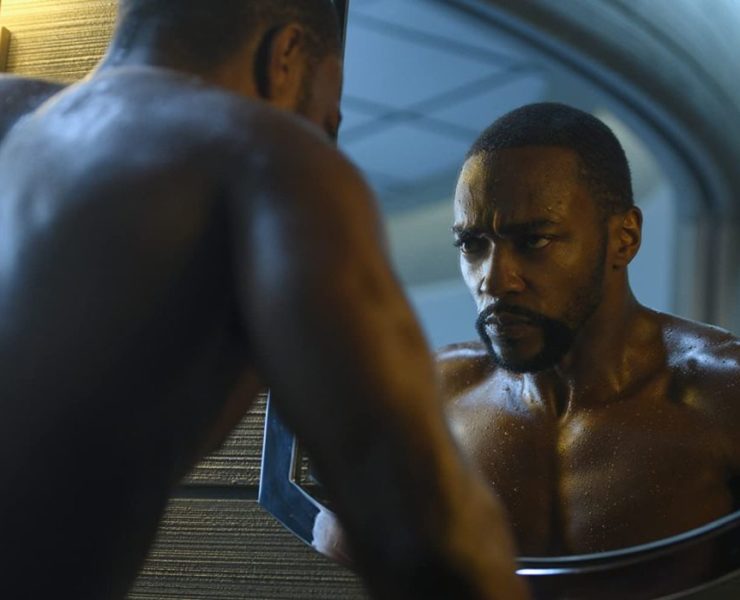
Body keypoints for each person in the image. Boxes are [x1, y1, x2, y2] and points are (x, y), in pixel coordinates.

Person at [0, 2, 527, 599]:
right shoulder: (266, 155)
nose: (324, 133)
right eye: (328, 115)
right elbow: (432, 539)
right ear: (286, 56)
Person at [441, 102, 740, 556]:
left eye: (534, 240)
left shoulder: (725, 397)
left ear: (624, 238)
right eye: (471, 244)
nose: (495, 280)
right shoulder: (434, 396)